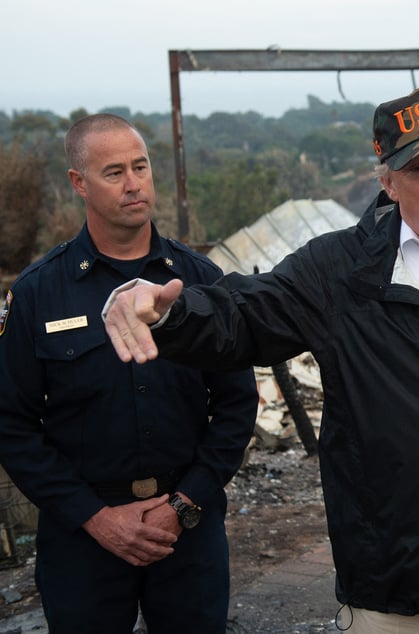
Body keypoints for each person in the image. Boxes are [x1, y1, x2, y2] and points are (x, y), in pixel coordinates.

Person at [102, 86, 419, 633]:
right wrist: (173, 313)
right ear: (387, 183)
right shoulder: (341, 272)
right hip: (389, 589)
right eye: (418, 168)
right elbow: (246, 313)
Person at [0, 114, 259, 633]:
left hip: (188, 528)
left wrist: (182, 505)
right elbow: (12, 424)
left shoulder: (201, 281)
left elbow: (236, 405)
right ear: (79, 183)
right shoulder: (37, 293)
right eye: (114, 172)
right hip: (82, 538)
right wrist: (97, 519)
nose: (134, 182)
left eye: (140, 166)